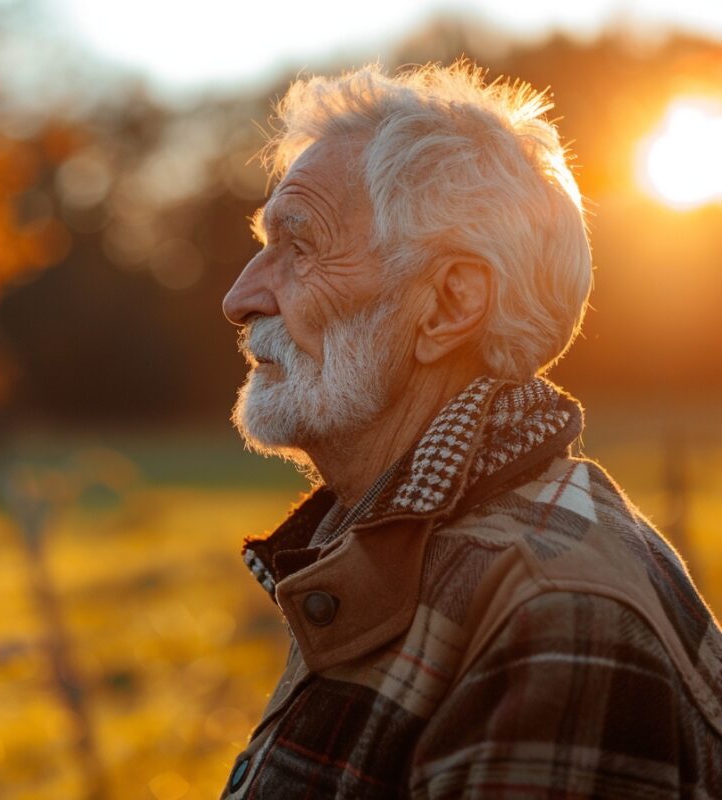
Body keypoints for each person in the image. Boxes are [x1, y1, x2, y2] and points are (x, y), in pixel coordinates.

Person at [220, 61, 722, 799]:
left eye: (299, 247)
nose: (240, 297)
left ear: (449, 304)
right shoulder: (415, 553)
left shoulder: (552, 617)